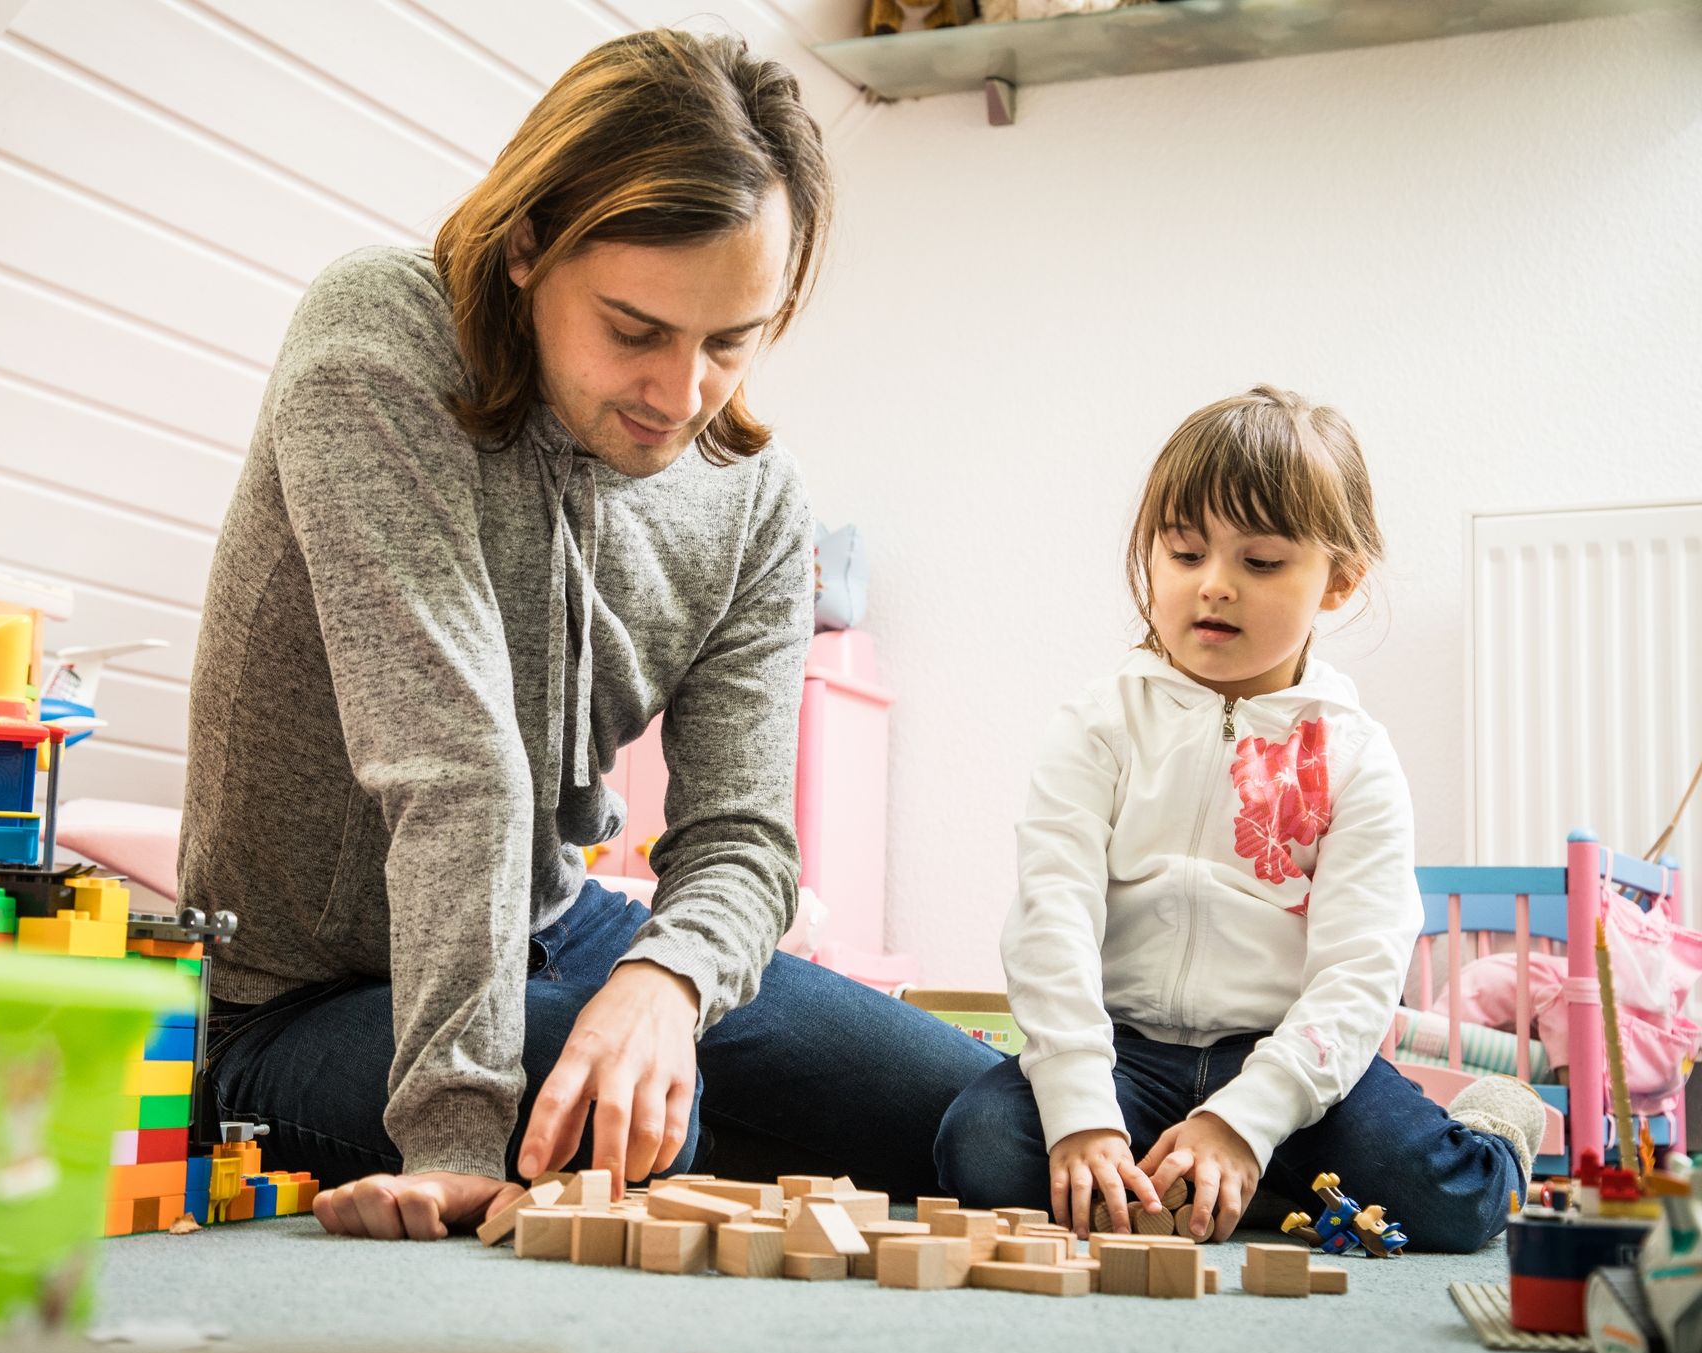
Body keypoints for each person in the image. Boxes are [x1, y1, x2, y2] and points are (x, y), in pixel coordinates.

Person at [178, 28, 1002, 1242]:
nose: (680, 396)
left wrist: (663, 981)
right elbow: (454, 766)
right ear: (527, 247)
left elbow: (741, 842)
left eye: (729, 341)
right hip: (298, 1002)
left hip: (561, 931)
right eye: (634, 330)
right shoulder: (376, 344)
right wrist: (454, 1137)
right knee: (640, 1122)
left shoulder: (754, 502)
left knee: (990, 1122)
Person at [934, 385, 1543, 1251]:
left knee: (1447, 1200)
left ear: (1338, 579)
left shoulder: (1355, 756)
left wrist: (1250, 1116)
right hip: (1128, 1053)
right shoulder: (1099, 725)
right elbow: (1051, 920)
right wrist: (1080, 1111)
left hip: (1289, 1063)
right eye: (1184, 553)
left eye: (1259, 564)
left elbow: (1359, 971)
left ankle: (1484, 1128)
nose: (1213, 586)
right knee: (982, 1146)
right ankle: (1222, 1183)